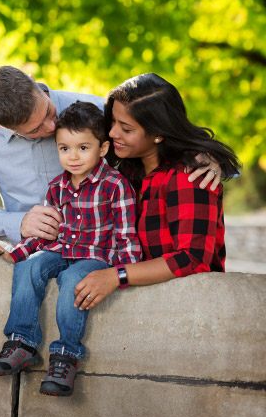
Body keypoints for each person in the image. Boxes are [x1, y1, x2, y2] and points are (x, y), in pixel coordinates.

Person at [0, 66, 222, 248]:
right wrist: (19, 223)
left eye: (49, 112)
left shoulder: (95, 109)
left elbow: (157, 131)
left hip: (100, 251)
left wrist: (201, 154)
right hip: (31, 254)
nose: (51, 128)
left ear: (33, 80)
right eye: (35, 130)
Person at [0, 102, 141, 397]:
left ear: (103, 148)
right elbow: (45, 235)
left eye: (83, 148)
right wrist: (13, 254)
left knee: (73, 280)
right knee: (30, 266)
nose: (73, 156)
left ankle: (66, 356)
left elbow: (126, 235)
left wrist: (124, 273)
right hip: (61, 250)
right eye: (64, 148)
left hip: (95, 257)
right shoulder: (57, 187)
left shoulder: (115, 186)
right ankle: (22, 343)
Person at [73, 73, 240, 312]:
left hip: (186, 312)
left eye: (126, 128)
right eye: (113, 122)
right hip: (140, 307)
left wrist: (115, 276)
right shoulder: (128, 171)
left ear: (158, 133)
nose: (112, 133)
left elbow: (191, 259)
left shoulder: (189, 177)